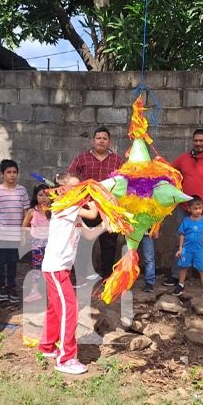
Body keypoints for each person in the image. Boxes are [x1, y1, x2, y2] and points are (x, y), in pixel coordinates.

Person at [37, 173, 108, 374]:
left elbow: (89, 232)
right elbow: (93, 213)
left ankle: (47, 346)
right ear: (60, 190)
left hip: (61, 269)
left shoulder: (73, 211)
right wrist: (97, 195)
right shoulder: (63, 206)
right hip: (56, 268)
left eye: (81, 187)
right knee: (70, 309)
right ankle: (65, 359)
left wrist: (107, 225)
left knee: (55, 308)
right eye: (76, 188)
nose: (80, 191)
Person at [163, 129, 203, 293]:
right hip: (184, 210)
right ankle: (177, 277)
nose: (198, 143)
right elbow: (168, 173)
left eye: (201, 141)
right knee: (180, 243)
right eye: (195, 140)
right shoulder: (183, 159)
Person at [68, 126, 124, 282]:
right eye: (98, 138)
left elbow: (125, 183)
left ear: (109, 142)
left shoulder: (118, 161)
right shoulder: (81, 159)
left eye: (104, 138)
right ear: (93, 140)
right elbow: (70, 179)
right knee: (83, 242)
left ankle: (107, 275)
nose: (101, 141)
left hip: (108, 209)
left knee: (109, 243)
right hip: (86, 207)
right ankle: (81, 276)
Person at [0, 159, 29, 303]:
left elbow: (26, 213)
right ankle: (1, 287)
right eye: (8, 172)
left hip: (15, 236)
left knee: (12, 262)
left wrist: (24, 233)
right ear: (1, 174)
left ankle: (11, 287)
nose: (12, 175)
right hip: (0, 234)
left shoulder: (22, 191)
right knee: (0, 262)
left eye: (14, 172)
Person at [172, 196, 203, 301]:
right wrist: (180, 249)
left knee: (202, 269)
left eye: (200, 208)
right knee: (184, 267)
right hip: (187, 250)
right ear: (189, 209)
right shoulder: (186, 221)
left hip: (199, 250)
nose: (198, 211)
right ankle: (180, 286)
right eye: (195, 208)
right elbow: (182, 235)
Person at [22, 183, 51, 303]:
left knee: (51, 266)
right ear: (35, 197)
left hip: (51, 243)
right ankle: (35, 291)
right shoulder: (31, 212)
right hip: (37, 243)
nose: (44, 198)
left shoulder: (53, 211)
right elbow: (24, 227)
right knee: (37, 267)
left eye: (47, 195)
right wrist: (33, 230)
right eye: (40, 195)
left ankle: (51, 291)